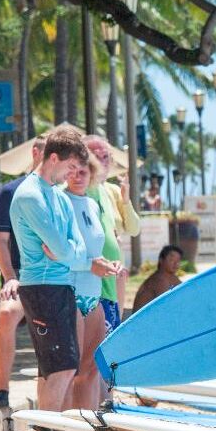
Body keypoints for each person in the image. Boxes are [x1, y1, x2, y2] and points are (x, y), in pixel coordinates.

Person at [9, 125, 106, 431]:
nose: (72, 174)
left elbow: (72, 248)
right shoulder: (30, 194)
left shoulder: (57, 195)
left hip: (62, 285)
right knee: (61, 366)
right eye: (70, 166)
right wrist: (70, 253)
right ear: (53, 158)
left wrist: (69, 253)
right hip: (41, 287)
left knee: (61, 365)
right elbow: (64, 248)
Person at [0, 135, 45, 410]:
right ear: (35, 153)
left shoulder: (59, 193)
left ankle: (50, 391)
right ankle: (2, 390)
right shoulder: (10, 191)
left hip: (52, 275)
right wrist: (9, 276)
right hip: (20, 272)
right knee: (7, 314)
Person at [63, 156, 121, 412]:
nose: (77, 177)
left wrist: (109, 263)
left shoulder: (92, 204)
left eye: (83, 172)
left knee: (90, 369)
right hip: (69, 292)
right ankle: (64, 425)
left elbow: (95, 249)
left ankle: (86, 426)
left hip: (93, 293)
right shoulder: (60, 201)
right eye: (72, 171)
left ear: (93, 175)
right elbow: (58, 251)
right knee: (68, 370)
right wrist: (90, 265)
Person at [84, 136, 139, 333]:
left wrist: (126, 199)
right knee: (94, 337)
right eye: (96, 156)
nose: (102, 162)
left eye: (106, 156)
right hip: (91, 275)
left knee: (113, 333)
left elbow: (134, 228)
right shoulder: (79, 189)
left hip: (115, 276)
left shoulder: (111, 191)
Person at [131, 245, 183, 314]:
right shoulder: (159, 280)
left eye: (178, 261)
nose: (175, 264)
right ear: (161, 260)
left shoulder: (172, 277)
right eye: (172, 260)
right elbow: (167, 306)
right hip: (146, 319)